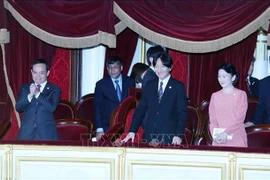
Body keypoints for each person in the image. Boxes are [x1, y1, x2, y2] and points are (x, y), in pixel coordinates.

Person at [122, 52, 188, 145]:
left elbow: (182, 113)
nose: (159, 70)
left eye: (162, 67)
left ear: (170, 67)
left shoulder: (178, 87)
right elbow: (141, 109)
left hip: (169, 136)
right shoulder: (150, 85)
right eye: (156, 67)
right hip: (150, 135)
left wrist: (178, 135)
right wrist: (132, 130)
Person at [16, 58, 61, 140]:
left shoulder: (54, 89)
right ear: (31, 72)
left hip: (46, 134)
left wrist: (37, 93)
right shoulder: (25, 87)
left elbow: (51, 107)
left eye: (41, 73)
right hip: (26, 134)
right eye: (35, 73)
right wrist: (29, 96)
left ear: (47, 73)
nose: (38, 76)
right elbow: (18, 108)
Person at [94, 56, 135, 141]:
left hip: (126, 125)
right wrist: (99, 129)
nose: (112, 70)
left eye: (115, 67)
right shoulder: (101, 84)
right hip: (107, 126)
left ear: (121, 68)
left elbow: (133, 105)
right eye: (110, 67)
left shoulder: (130, 82)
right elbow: (97, 108)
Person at [209, 63, 248, 147]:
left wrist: (226, 133)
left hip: (236, 137)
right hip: (219, 139)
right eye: (219, 76)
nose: (221, 79)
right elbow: (213, 119)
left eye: (224, 76)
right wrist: (215, 135)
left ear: (233, 77)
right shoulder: (215, 96)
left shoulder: (241, 94)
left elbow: (239, 119)